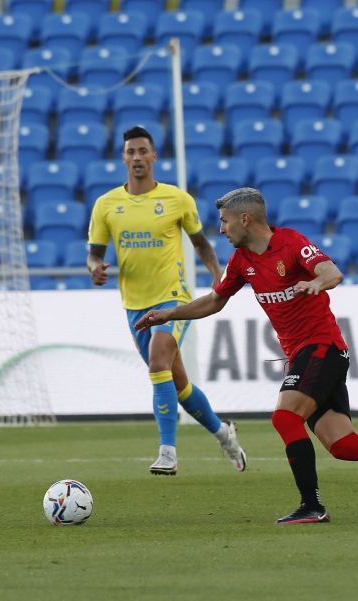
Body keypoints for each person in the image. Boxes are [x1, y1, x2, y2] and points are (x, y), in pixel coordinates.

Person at [134, 187, 358, 524]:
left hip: (322, 347)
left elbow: (332, 272)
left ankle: (312, 505)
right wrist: (170, 314)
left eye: (224, 221)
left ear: (245, 219)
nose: (221, 229)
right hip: (308, 356)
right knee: (343, 445)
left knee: (285, 417)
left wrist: (316, 284)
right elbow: (215, 301)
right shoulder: (242, 261)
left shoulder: (291, 243)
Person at [87, 126, 246, 476]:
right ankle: (224, 434)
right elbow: (94, 255)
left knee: (158, 360)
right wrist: (96, 268)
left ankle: (168, 452)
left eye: (144, 151)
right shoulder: (106, 205)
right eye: (131, 152)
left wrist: (216, 275)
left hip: (173, 297)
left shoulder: (177, 199)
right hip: (134, 304)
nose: (138, 157)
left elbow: (201, 243)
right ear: (124, 157)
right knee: (178, 384)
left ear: (154, 156)